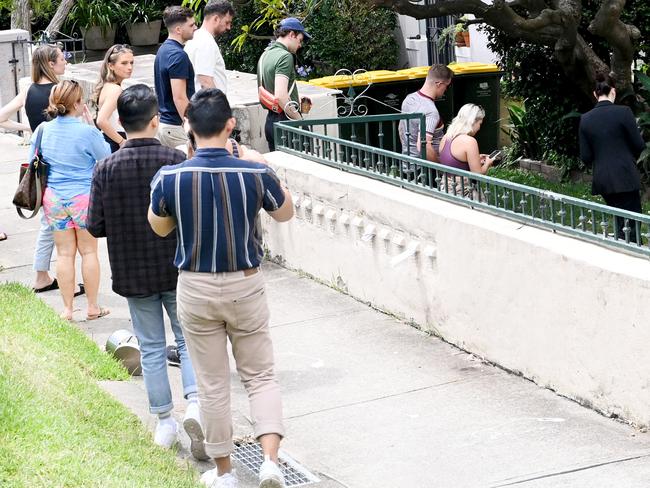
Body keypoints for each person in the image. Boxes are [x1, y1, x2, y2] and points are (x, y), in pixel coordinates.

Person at [149, 88, 294, 488]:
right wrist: (257, 160)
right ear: (230, 124)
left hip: (195, 286)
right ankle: (270, 463)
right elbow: (285, 212)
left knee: (212, 383)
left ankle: (225, 471)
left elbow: (160, 227)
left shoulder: (170, 177)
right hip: (245, 284)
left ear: (189, 128)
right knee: (261, 376)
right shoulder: (254, 172)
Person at [87, 84, 206, 458]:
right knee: (187, 342)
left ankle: (164, 421)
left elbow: (95, 225)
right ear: (156, 120)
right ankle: (197, 405)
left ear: (121, 122)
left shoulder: (106, 167)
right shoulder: (173, 161)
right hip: (175, 266)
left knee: (152, 348)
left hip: (132, 270)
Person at [30, 80, 111, 321]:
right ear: (77, 103)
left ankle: (67, 309)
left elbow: (32, 160)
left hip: (53, 199)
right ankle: (93, 307)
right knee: (88, 252)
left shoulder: (43, 130)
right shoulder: (86, 132)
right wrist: (91, 126)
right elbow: (105, 157)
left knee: (64, 254)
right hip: (83, 197)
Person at [0, 44, 69, 293]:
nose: (65, 62)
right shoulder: (60, 91)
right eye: (62, 58)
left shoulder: (28, 91)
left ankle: (44, 275)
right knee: (54, 223)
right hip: (61, 162)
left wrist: (29, 129)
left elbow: (1, 117)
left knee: (49, 221)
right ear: (51, 64)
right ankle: (43, 276)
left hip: (39, 162)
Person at [579, 72, 646, 241]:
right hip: (625, 176)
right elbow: (639, 146)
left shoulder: (585, 119)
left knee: (619, 221)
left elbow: (586, 157)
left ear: (595, 94)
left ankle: (620, 248)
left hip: (603, 179)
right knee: (632, 225)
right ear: (613, 92)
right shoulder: (624, 112)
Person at [257, 17, 311, 151]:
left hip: (270, 122)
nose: (300, 45)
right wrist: (300, 122)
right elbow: (281, 96)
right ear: (292, 34)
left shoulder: (265, 55)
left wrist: (295, 97)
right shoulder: (285, 56)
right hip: (287, 125)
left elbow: (269, 90)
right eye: (300, 40)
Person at [154, 6, 197, 148]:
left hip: (165, 125)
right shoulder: (178, 55)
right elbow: (179, 97)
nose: (195, 27)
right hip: (176, 127)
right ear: (178, 29)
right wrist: (192, 127)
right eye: (191, 25)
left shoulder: (163, 50)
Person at [438, 104, 495, 199]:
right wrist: (487, 163)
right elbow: (478, 175)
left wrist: (476, 158)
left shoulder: (446, 137)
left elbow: (453, 161)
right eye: (479, 124)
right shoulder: (470, 141)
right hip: (463, 193)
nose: (479, 128)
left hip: (446, 189)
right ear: (472, 121)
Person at [399, 64, 454, 161]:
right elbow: (423, 145)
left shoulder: (409, 99)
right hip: (425, 170)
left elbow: (401, 130)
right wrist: (440, 168)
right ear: (439, 84)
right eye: (447, 86)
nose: (446, 90)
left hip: (408, 163)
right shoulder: (431, 112)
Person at [184, 0, 234, 94]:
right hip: (207, 105)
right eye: (227, 22)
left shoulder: (196, 37)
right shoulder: (206, 42)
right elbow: (205, 81)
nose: (229, 27)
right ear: (216, 19)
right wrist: (218, 106)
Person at [92, 44, 134, 152]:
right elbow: (101, 120)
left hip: (110, 139)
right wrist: (121, 141)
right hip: (115, 142)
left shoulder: (108, 86)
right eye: (124, 63)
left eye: (131, 63)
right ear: (111, 66)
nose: (129, 67)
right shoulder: (115, 90)